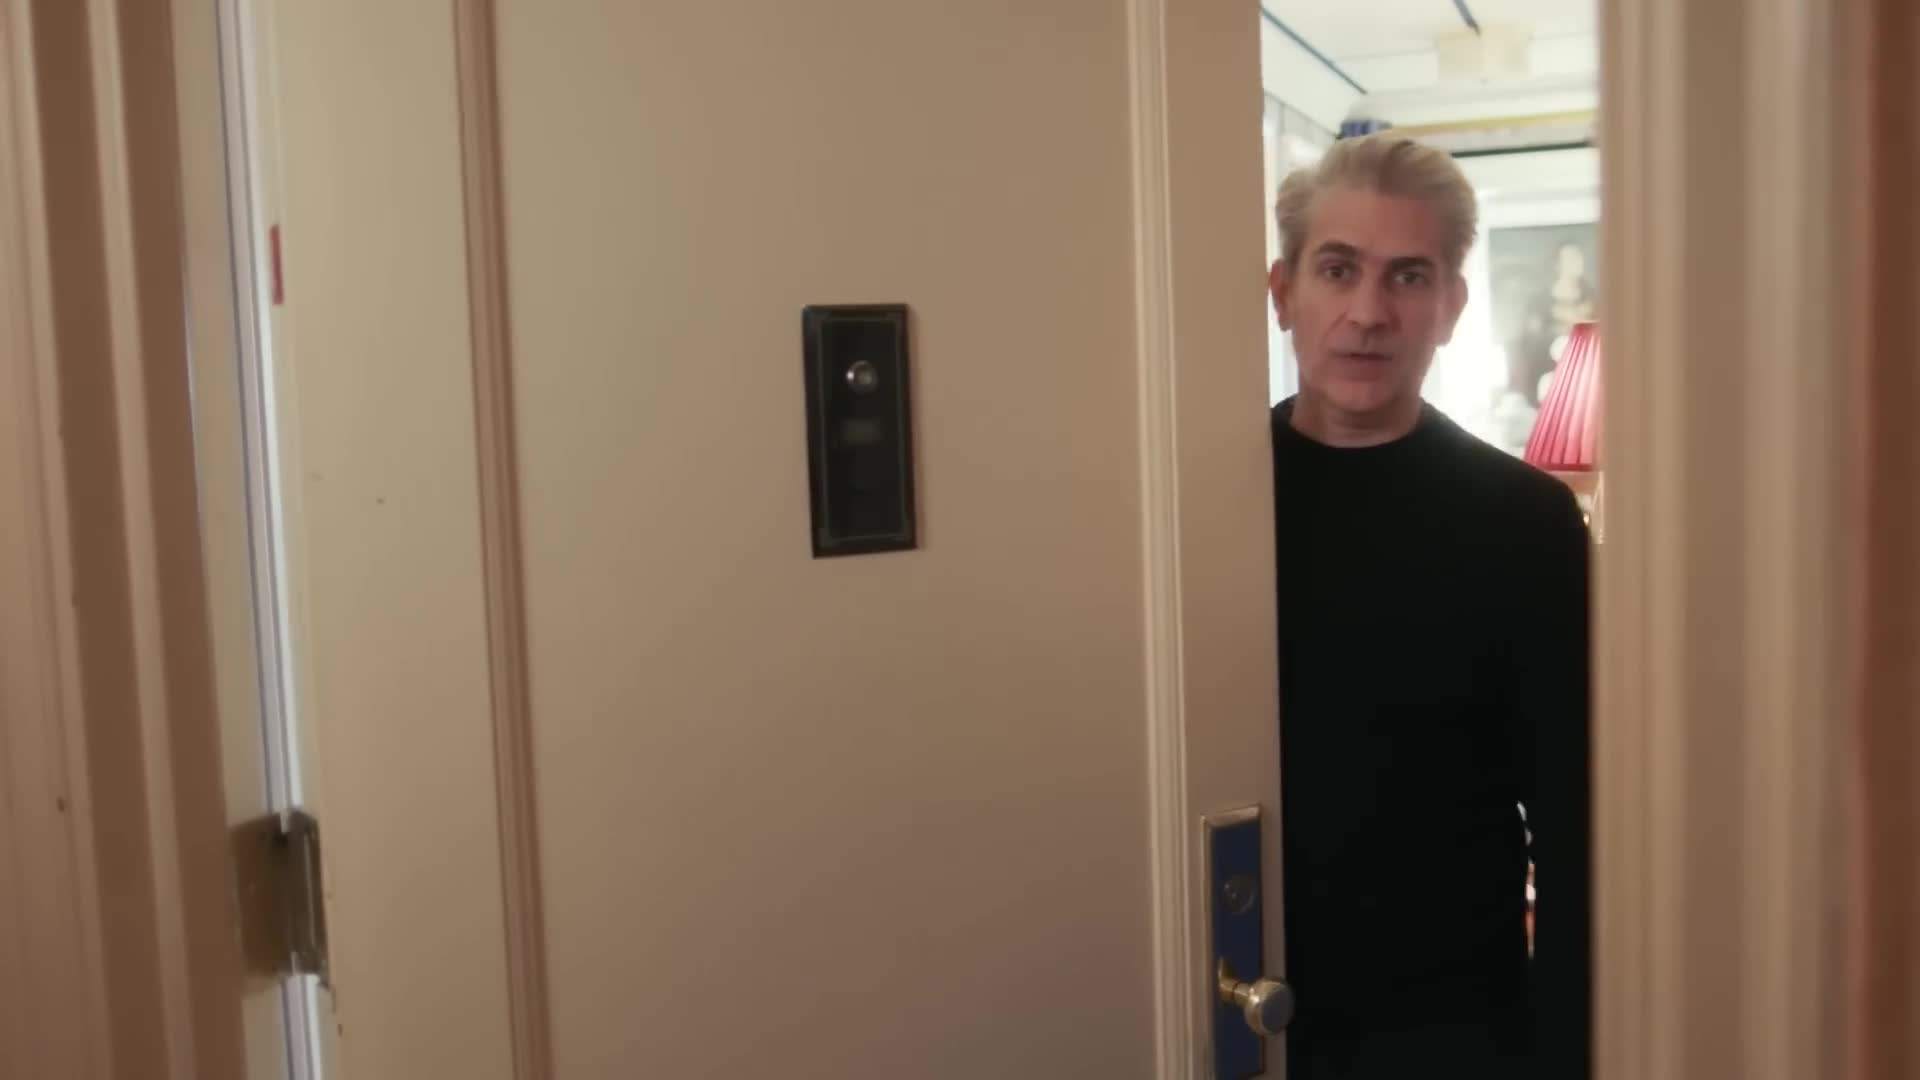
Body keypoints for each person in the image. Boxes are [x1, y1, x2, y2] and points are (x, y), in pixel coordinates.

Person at [1267, 134, 1592, 1080]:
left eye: (1408, 276)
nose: (1369, 313)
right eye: (1339, 269)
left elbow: (1574, 827)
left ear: (1449, 306)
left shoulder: (1525, 520)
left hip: (1461, 1028)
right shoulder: (1202, 509)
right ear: (1284, 291)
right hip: (1246, 1009)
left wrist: (1567, 1048)